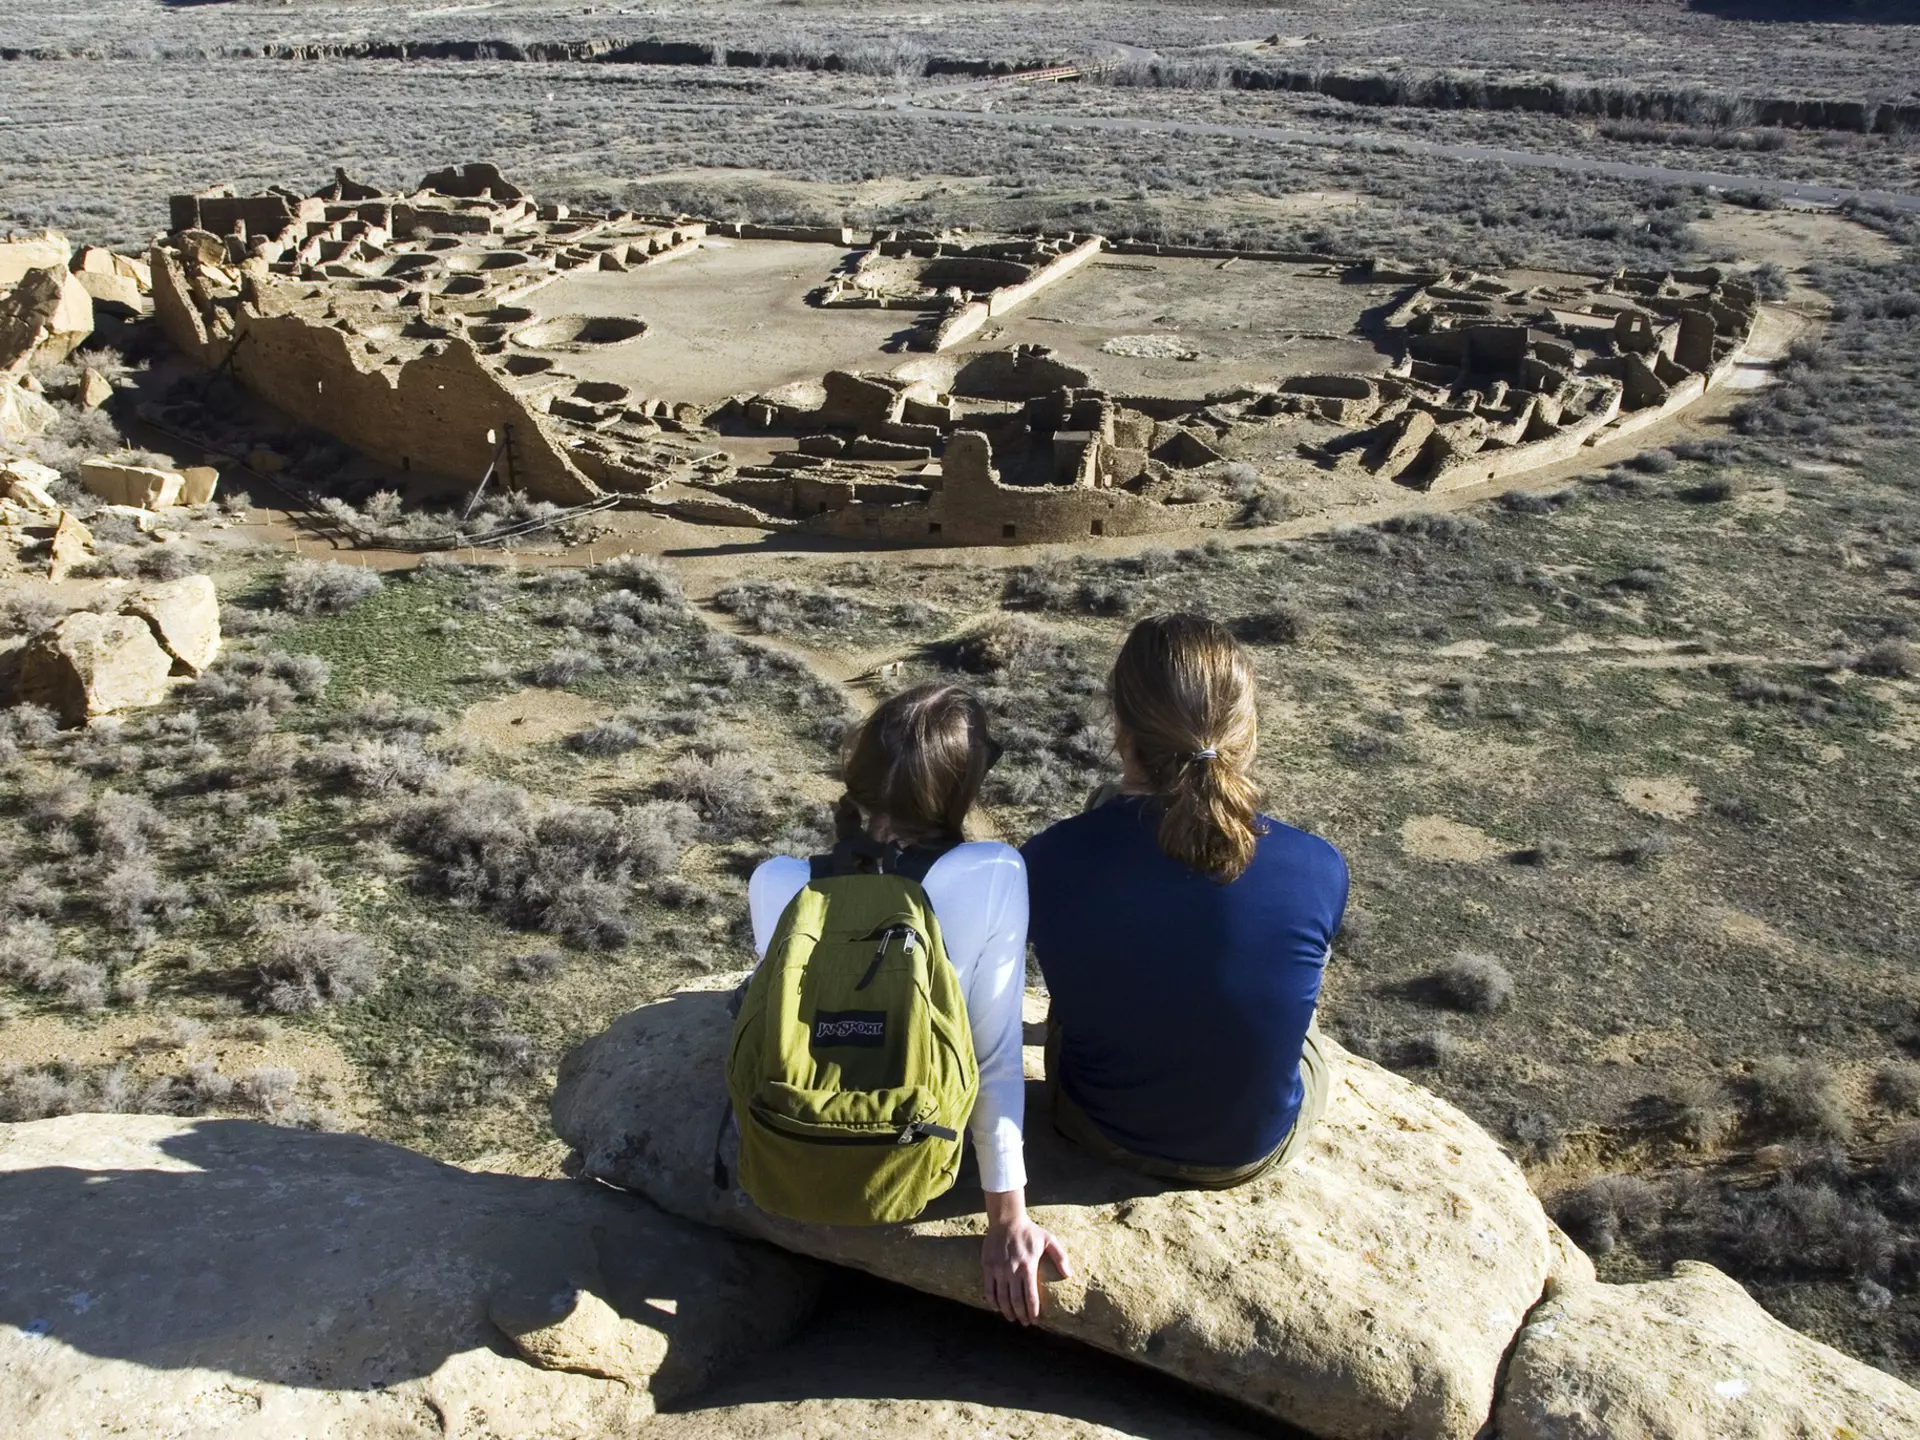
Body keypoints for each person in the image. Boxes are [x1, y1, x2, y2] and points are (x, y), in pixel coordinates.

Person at [746, 681, 1070, 1323]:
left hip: (785, 1154)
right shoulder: (993, 872)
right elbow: (993, 1056)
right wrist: (1008, 1218)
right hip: (915, 1161)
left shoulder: (777, 881)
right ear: (960, 789)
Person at [1021, 613, 1348, 1187]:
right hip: (1249, 1150)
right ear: (1246, 732)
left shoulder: (1046, 859)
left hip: (1097, 1126)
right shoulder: (1318, 866)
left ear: (1121, 728)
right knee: (1304, 995)